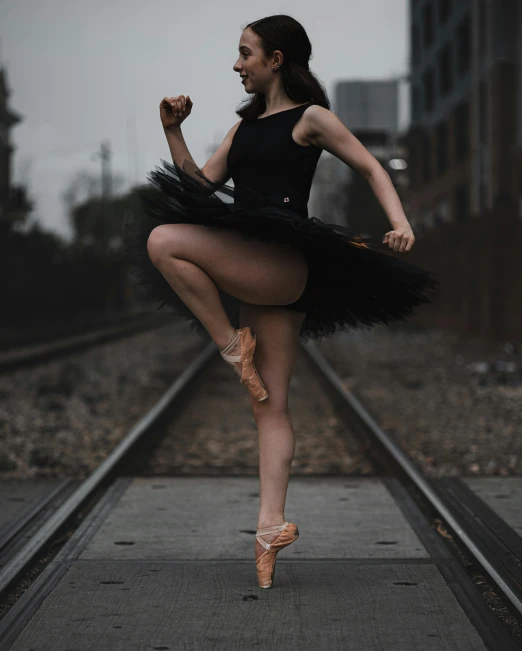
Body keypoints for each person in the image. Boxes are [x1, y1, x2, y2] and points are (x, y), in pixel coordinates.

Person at [124, 14, 438, 589]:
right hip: (257, 272)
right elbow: (198, 188)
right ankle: (270, 529)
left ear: (277, 60)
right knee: (270, 407)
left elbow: (369, 165)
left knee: (162, 240)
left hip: (280, 264)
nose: (236, 64)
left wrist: (400, 224)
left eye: (245, 53)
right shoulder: (244, 128)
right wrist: (173, 131)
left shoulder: (310, 118)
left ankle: (229, 346)